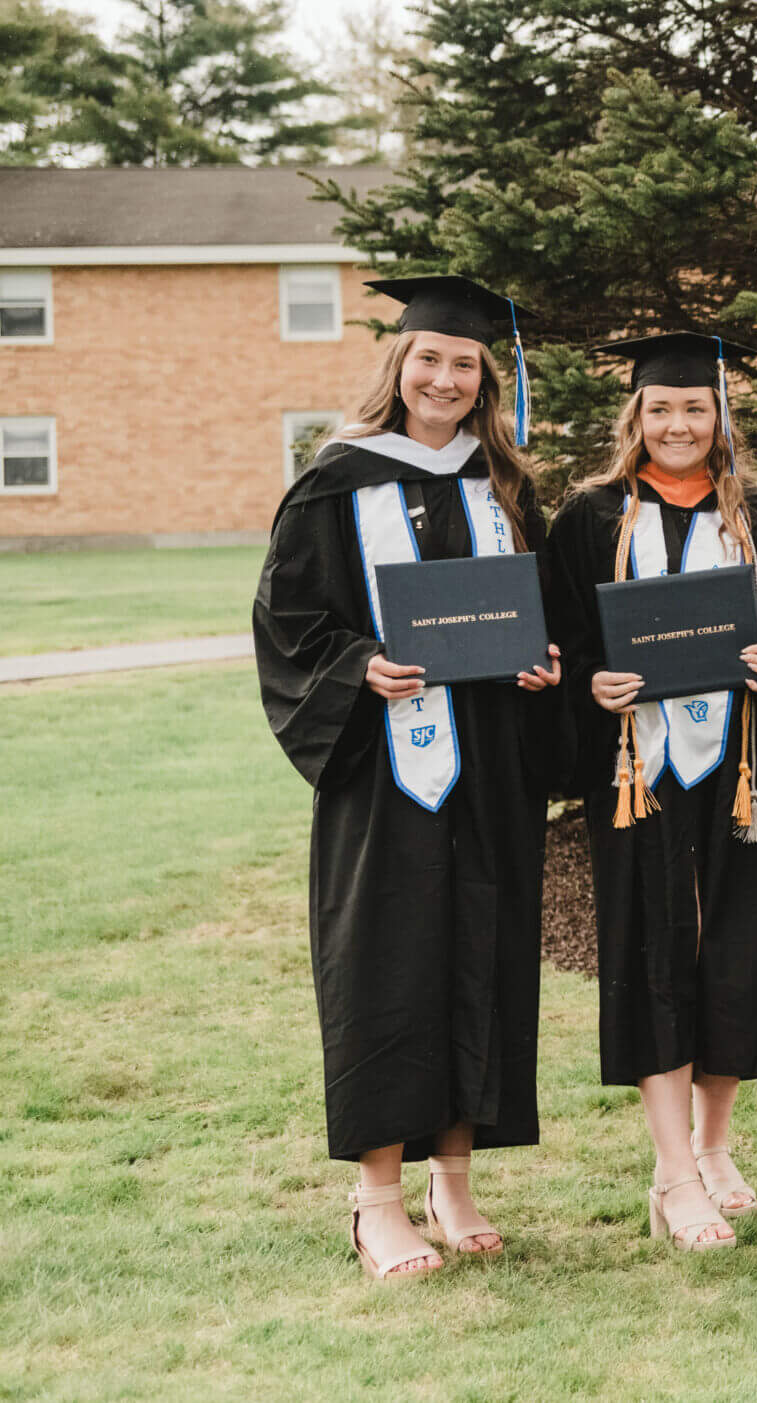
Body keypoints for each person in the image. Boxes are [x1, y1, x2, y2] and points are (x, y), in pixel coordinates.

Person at [252, 275, 566, 1281]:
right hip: (384, 767)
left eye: (463, 364)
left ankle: (456, 1183)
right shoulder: (335, 480)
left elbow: (546, 611)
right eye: (427, 359)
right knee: (387, 965)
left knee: (483, 954)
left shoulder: (505, 486)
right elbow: (289, 624)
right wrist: (358, 668)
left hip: (489, 769)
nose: (443, 378)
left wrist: (542, 664)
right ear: (400, 367)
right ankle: (376, 1201)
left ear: (483, 380)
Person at [546, 332, 757, 1251]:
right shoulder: (591, 519)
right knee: (656, 945)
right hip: (635, 771)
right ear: (636, 417)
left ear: (720, 417)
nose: (679, 424)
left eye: (696, 408)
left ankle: (716, 1143)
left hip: (741, 768)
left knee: (737, 948)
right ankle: (672, 1170)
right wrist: (590, 684)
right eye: (661, 408)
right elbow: (561, 639)